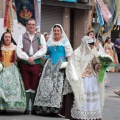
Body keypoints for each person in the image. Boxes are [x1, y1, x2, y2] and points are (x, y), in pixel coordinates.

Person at [34, 24, 73, 116]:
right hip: (49, 66)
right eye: (55, 30)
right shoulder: (49, 41)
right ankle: (45, 107)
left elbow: (69, 54)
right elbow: (45, 52)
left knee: (58, 87)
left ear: (61, 32)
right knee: (47, 85)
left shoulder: (65, 41)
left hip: (61, 66)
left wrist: (69, 65)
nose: (56, 32)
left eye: (58, 31)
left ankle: (57, 109)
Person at [64, 36, 105, 120]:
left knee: (92, 100)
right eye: (90, 45)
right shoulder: (77, 52)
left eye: (92, 45)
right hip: (82, 79)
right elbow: (71, 66)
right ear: (85, 44)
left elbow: (95, 64)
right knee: (82, 99)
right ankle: (81, 116)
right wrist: (75, 77)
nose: (92, 47)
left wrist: (99, 66)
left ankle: (91, 116)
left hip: (91, 79)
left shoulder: (93, 53)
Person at [16, 18, 47, 115]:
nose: (31, 26)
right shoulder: (22, 36)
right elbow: (19, 49)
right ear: (26, 26)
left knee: (34, 85)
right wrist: (27, 58)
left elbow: (43, 49)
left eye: (33, 24)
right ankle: (26, 108)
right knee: (26, 85)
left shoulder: (40, 36)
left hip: (36, 63)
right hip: (25, 64)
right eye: (29, 24)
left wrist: (33, 57)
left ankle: (33, 107)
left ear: (35, 26)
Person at [0, 32, 26, 114]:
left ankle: (10, 105)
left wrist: (19, 54)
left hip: (12, 69)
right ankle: (2, 106)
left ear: (11, 38)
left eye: (9, 37)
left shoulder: (15, 47)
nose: (7, 38)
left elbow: (18, 59)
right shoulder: (0, 47)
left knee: (11, 88)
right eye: (6, 37)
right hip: (1, 69)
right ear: (3, 38)